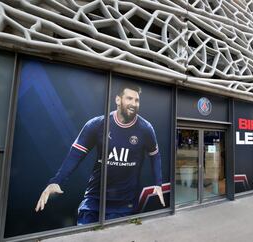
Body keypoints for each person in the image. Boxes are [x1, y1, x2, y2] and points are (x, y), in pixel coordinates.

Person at [35, 82, 165, 224]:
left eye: (137, 100)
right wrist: (56, 181)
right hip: (93, 201)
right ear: (118, 100)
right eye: (129, 98)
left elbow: (155, 156)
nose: (133, 103)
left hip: (123, 206)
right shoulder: (97, 125)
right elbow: (75, 156)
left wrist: (158, 183)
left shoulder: (145, 129)